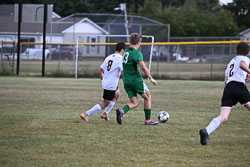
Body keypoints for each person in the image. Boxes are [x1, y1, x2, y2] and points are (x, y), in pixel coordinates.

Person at [199, 42, 250, 145]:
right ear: (248, 52)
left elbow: (226, 80)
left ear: (236, 50)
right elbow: (242, 65)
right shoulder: (245, 59)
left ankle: (206, 131)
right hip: (238, 87)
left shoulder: (231, 61)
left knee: (223, 116)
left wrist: (245, 79)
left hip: (229, 88)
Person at [116, 33, 158, 125]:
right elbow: (143, 67)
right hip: (135, 80)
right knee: (147, 97)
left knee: (135, 102)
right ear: (139, 42)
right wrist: (151, 79)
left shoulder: (126, 51)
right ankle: (148, 120)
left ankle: (122, 111)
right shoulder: (136, 53)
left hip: (126, 81)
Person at [80, 42, 127, 122]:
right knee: (105, 103)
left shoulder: (109, 57)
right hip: (111, 84)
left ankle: (105, 114)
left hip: (107, 82)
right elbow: (122, 73)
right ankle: (85, 114)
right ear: (122, 50)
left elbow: (100, 71)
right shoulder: (120, 58)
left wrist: (104, 79)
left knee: (117, 95)